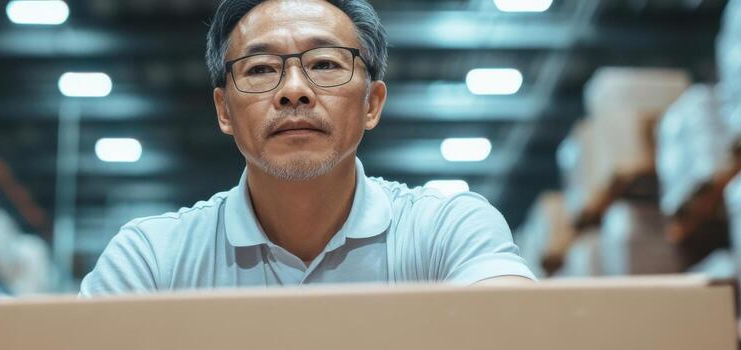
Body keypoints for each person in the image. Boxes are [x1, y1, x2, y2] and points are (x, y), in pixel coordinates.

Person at [80, 0, 535, 296]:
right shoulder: (154, 259)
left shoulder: (446, 230)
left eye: (323, 63)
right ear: (224, 110)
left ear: (372, 103)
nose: (293, 90)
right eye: (260, 69)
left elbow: (522, 333)